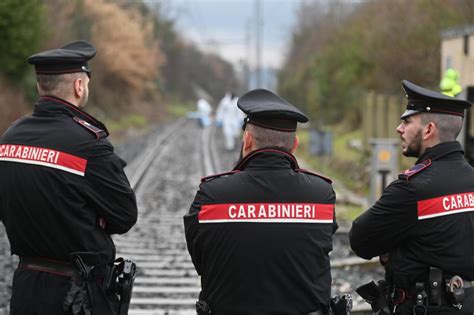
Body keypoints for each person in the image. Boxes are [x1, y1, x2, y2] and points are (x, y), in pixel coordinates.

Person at [0, 40, 138, 314]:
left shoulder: (9, 138)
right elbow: (124, 216)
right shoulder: (88, 144)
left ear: (41, 86)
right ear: (79, 86)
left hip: (26, 286)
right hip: (77, 294)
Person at [184, 89, 339, 314]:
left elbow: (202, 261)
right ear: (294, 145)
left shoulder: (211, 195)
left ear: (247, 140)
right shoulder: (321, 196)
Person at [350, 80, 474, 315]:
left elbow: (360, 241)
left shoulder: (412, 189)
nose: (399, 128)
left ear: (428, 130)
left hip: (421, 307)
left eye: (407, 121)